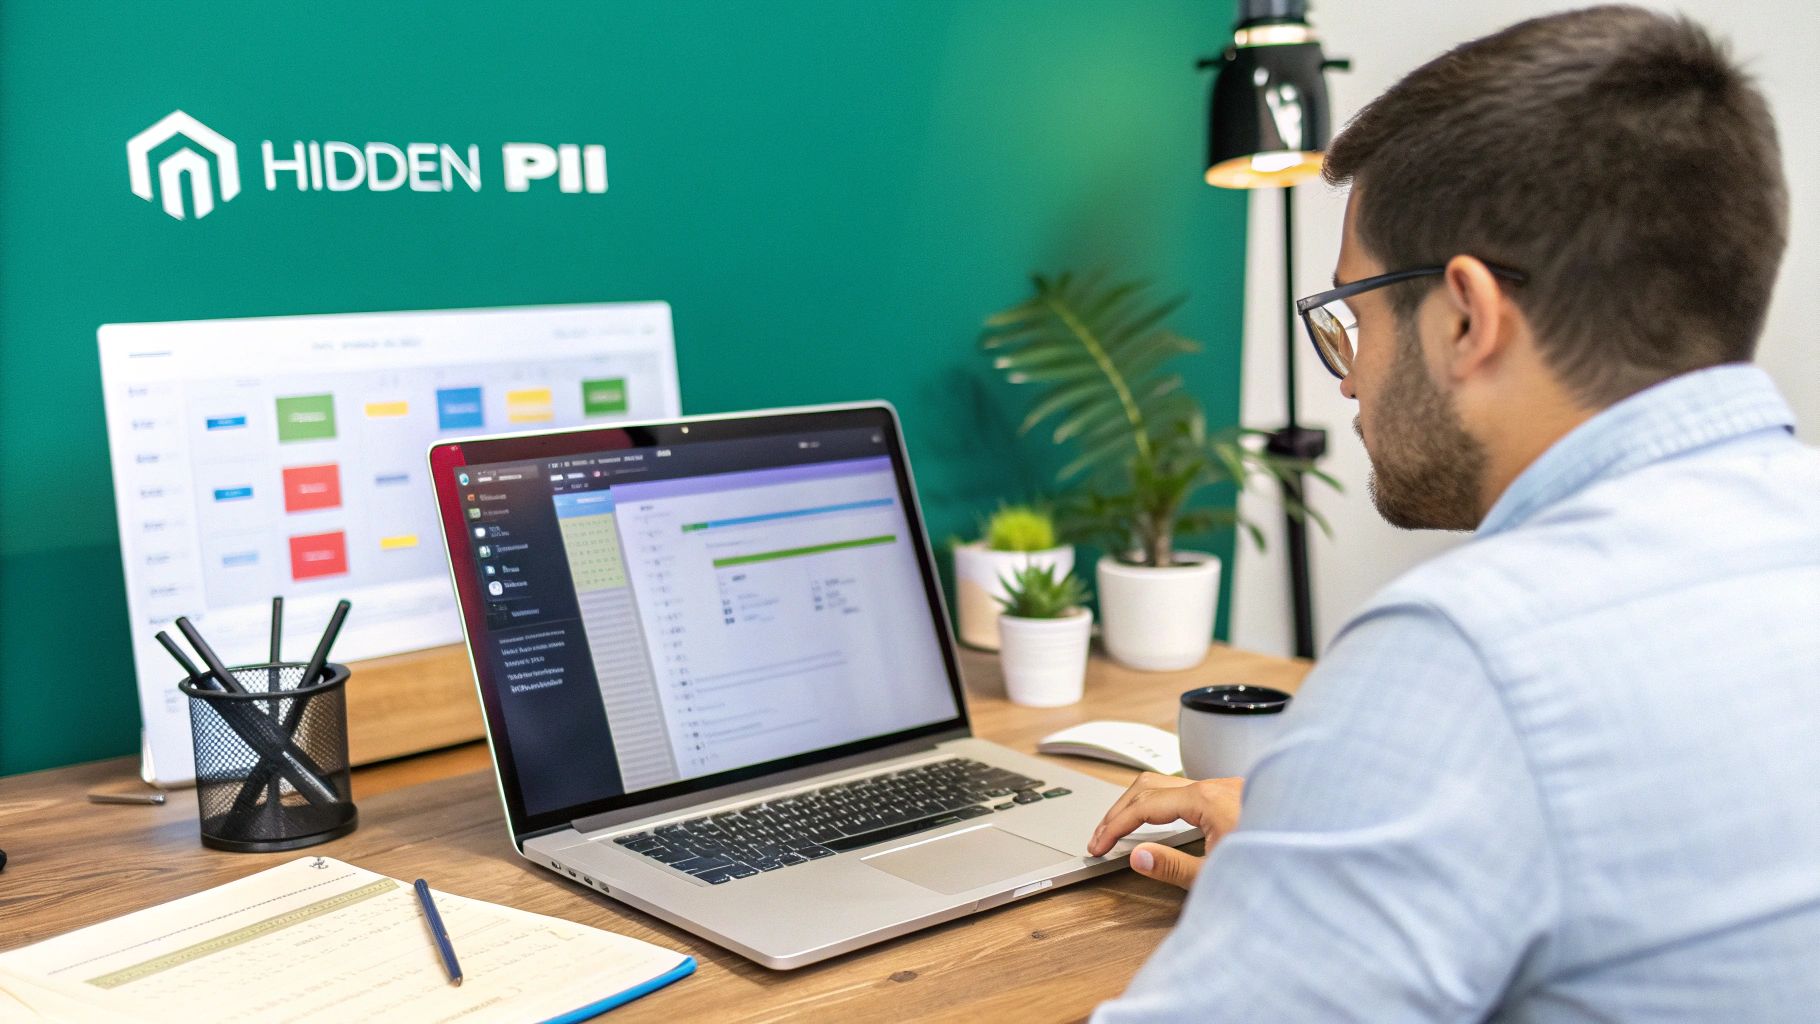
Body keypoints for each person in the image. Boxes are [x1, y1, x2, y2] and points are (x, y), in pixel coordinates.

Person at [1088, 6, 1819, 1020]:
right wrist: (1338, 841)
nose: (1347, 380)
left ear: (1465, 317)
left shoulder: (1472, 656)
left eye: (1353, 312)